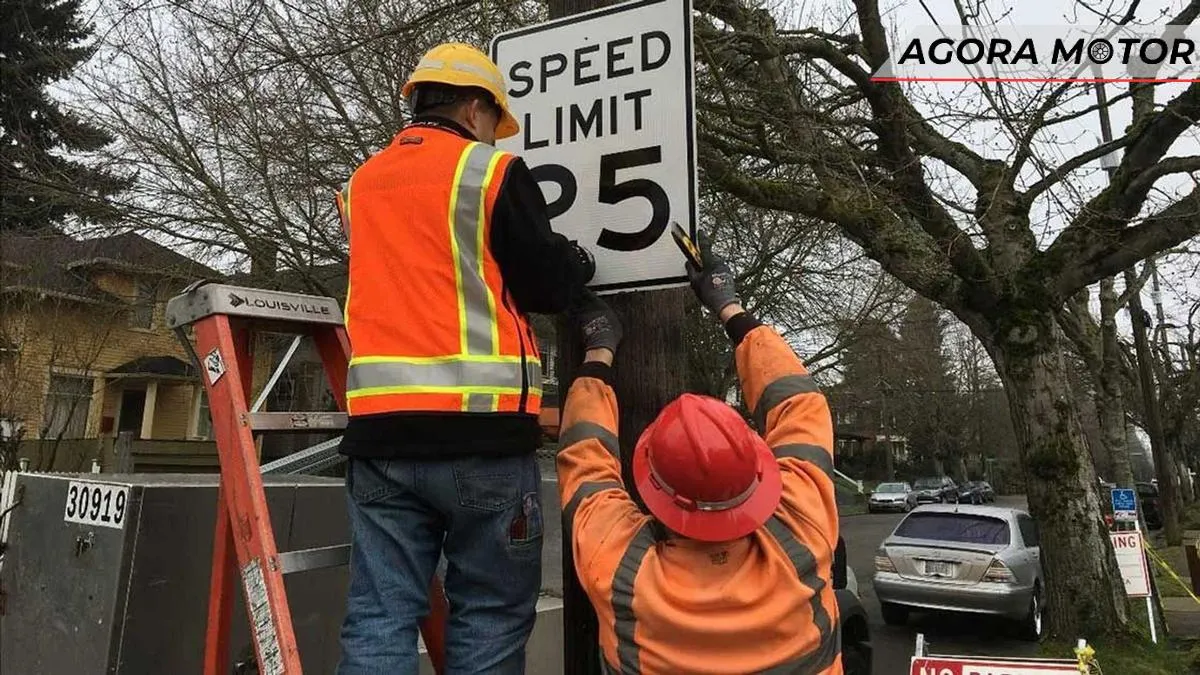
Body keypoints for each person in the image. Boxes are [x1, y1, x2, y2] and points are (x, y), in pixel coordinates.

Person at [335, 42, 594, 674]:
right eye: (493, 118)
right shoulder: (490, 171)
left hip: (380, 441)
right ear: (476, 107)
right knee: (489, 615)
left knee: (378, 616)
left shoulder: (360, 184)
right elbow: (543, 285)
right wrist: (574, 264)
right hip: (482, 440)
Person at [558, 236, 842, 674]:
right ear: (756, 473)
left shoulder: (621, 569)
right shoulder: (802, 531)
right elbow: (799, 403)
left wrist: (599, 351)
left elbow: (585, 457)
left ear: (653, 486)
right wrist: (730, 308)